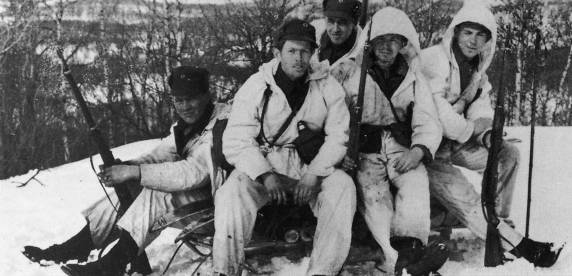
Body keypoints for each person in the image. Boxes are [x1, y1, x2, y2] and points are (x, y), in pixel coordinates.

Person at [22, 66, 229, 275]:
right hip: (199, 204)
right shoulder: (188, 125)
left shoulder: (222, 124)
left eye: (191, 99)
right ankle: (74, 248)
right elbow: (160, 154)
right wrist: (128, 167)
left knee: (155, 193)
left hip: (221, 213)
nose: (185, 107)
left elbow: (194, 173)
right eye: (179, 100)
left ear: (206, 95)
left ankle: (114, 264)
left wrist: (135, 173)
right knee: (128, 188)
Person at [421, 3, 562, 267]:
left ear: (488, 40)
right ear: (456, 32)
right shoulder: (432, 60)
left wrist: (487, 134)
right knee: (464, 196)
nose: (473, 41)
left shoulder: (477, 73)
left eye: (480, 35)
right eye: (468, 33)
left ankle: (499, 220)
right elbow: (440, 115)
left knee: (507, 154)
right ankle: (513, 243)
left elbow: (481, 109)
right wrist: (470, 128)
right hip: (426, 149)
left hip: (456, 143)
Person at [212, 19, 355, 276]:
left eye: (304, 51)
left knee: (342, 186)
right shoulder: (258, 85)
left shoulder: (326, 84)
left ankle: (323, 271)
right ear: (278, 53)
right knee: (231, 193)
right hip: (267, 161)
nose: (299, 58)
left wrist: (314, 175)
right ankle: (225, 270)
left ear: (312, 53)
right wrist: (265, 175)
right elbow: (236, 139)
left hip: (309, 163)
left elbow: (338, 136)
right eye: (291, 51)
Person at [334, 7, 445, 276]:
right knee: (375, 197)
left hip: (399, 145)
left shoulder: (413, 77)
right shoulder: (349, 72)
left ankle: (411, 249)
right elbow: (333, 116)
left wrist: (418, 151)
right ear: (370, 43)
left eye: (393, 40)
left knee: (416, 183)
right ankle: (399, 258)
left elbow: (427, 119)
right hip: (364, 148)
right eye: (381, 40)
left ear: (402, 44)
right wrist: (343, 152)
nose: (386, 47)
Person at [313, 0, 362, 68]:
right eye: (331, 21)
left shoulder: (362, 52)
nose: (335, 29)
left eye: (342, 22)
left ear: (354, 24)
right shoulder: (314, 35)